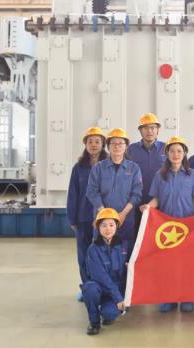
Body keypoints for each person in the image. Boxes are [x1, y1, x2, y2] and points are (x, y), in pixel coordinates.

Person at [145, 136, 194, 313]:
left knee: (187, 264)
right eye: (172, 151)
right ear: (167, 154)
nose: (176, 154)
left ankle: (187, 297)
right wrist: (148, 207)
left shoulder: (193, 175)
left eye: (179, 151)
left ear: (184, 153)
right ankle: (168, 298)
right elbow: (156, 199)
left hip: (187, 226)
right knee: (167, 264)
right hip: (166, 228)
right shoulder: (159, 175)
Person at [66, 127, 108, 301]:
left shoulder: (109, 165)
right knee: (83, 256)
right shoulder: (78, 168)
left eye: (97, 141)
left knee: (102, 255)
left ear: (103, 144)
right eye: (90, 141)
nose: (94, 145)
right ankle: (87, 289)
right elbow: (73, 194)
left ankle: (103, 289)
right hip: (83, 217)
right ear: (85, 144)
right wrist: (72, 218)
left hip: (103, 219)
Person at [86, 128, 143, 255]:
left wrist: (123, 214)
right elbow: (92, 192)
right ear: (108, 146)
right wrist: (105, 214)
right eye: (113, 143)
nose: (117, 146)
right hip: (102, 220)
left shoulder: (134, 168)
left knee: (125, 254)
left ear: (126, 146)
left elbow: (137, 194)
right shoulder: (98, 168)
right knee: (101, 254)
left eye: (121, 143)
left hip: (125, 219)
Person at [82, 208, 127, 336]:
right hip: (99, 287)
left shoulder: (124, 246)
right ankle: (94, 322)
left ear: (117, 226)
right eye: (104, 225)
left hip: (115, 289)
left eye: (111, 225)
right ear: (98, 228)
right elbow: (100, 276)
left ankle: (107, 312)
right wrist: (118, 298)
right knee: (89, 289)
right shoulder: (93, 249)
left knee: (110, 314)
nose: (108, 229)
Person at [127, 113, 166, 240]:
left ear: (157, 130)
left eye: (153, 127)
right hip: (136, 201)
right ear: (140, 130)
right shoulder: (131, 150)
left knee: (158, 237)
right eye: (145, 128)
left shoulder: (166, 148)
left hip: (160, 201)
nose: (149, 131)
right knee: (136, 237)